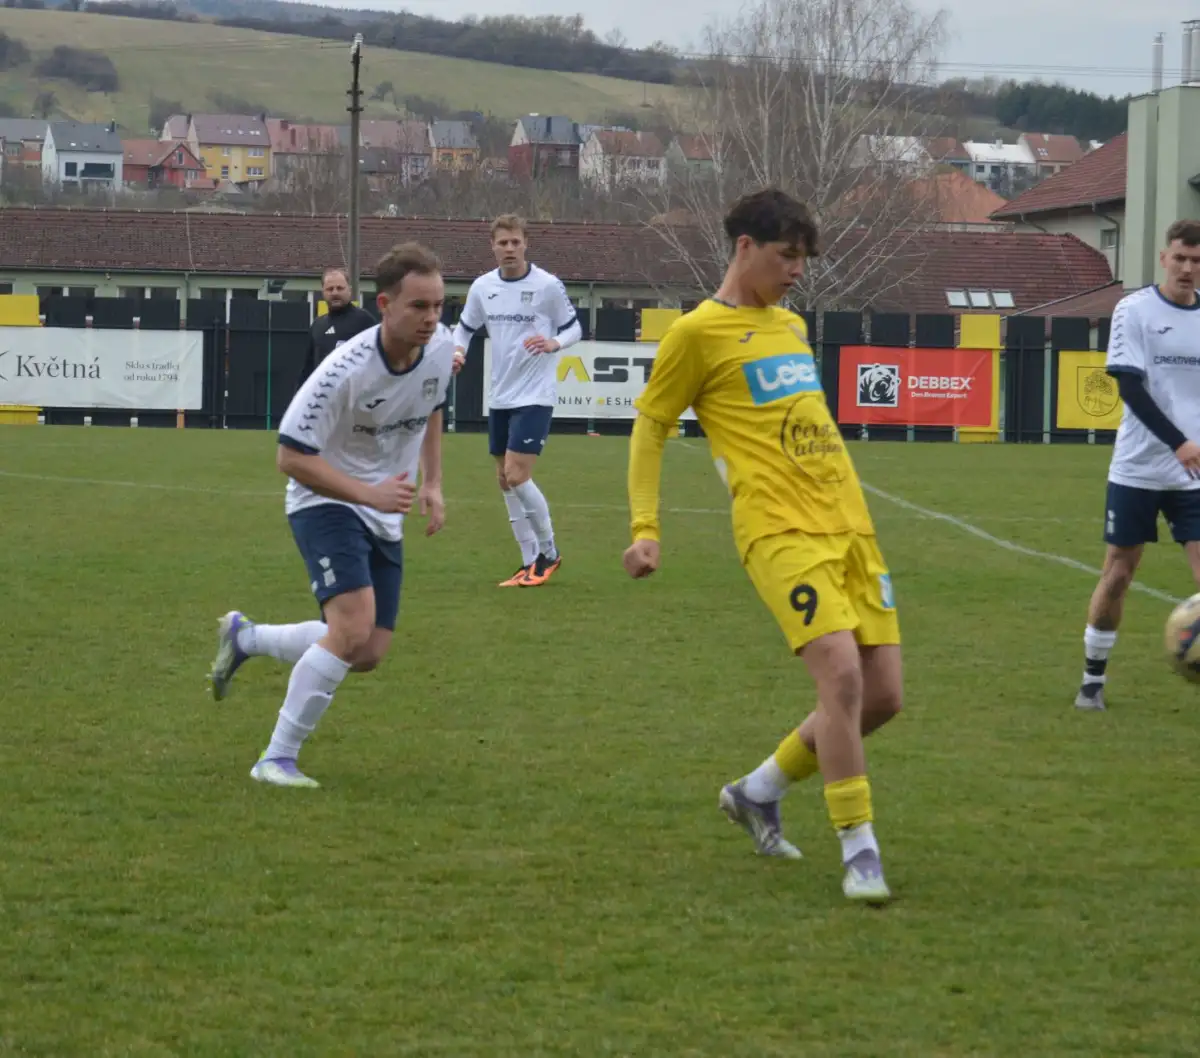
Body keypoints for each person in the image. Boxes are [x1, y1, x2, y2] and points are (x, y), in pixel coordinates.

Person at [621, 188, 902, 904]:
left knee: (882, 698)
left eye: (804, 258)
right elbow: (650, 428)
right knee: (839, 677)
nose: (797, 270)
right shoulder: (696, 335)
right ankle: (859, 847)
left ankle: (758, 791)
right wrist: (646, 529)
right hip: (777, 531)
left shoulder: (791, 327)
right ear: (745, 248)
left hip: (850, 526)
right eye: (787, 256)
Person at [207, 242, 454, 788]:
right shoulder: (341, 370)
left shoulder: (440, 349)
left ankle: (247, 639)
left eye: (439, 305)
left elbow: (433, 404)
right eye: (419, 306)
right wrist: (368, 496)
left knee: (367, 651)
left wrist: (432, 483)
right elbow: (290, 458)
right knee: (350, 628)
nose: (432, 318)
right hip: (325, 500)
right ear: (385, 304)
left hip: (382, 508)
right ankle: (275, 759)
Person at [1076, 219, 1200, 712]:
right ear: (1164, 258)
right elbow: (1130, 387)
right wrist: (1177, 443)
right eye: (1181, 258)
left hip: (1192, 475)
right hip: (1138, 469)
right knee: (1120, 574)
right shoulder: (1135, 310)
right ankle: (1092, 680)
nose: (1188, 268)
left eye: (1197, 261)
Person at [451, 213, 583, 588]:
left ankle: (550, 553)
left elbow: (574, 326)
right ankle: (529, 562)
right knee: (503, 480)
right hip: (501, 396)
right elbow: (464, 328)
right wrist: (458, 352)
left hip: (535, 395)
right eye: (502, 243)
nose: (509, 248)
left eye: (515, 242)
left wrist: (555, 343)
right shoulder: (482, 287)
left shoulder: (547, 286)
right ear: (492, 246)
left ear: (526, 244)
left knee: (516, 474)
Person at [298, 267, 377, 390]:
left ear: (349, 290)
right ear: (323, 292)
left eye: (340, 288)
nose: (335, 293)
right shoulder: (318, 325)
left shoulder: (364, 320)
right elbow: (307, 370)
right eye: (330, 289)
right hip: (324, 398)